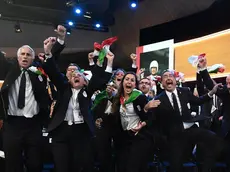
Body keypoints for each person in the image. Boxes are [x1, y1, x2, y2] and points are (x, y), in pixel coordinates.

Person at [42, 37, 113, 172]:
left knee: (78, 166)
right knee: (62, 166)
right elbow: (54, 72)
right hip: (61, 132)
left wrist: (109, 62)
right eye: (73, 74)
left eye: (79, 75)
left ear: (85, 81)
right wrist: (48, 52)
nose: (75, 75)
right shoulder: (63, 88)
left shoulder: (88, 90)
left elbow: (100, 79)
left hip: (81, 133)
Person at [153, 69, 224, 172]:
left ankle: (206, 168)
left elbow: (198, 101)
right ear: (162, 83)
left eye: (170, 76)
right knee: (175, 166)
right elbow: (156, 122)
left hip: (191, 130)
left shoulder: (185, 91)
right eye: (165, 77)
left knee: (215, 140)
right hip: (175, 136)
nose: (168, 78)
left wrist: (212, 92)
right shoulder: (158, 99)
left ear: (175, 80)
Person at [0, 45, 50, 172]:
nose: (25, 57)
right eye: (22, 54)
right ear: (17, 57)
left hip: (33, 125)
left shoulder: (38, 73)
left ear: (33, 58)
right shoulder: (10, 70)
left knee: (35, 163)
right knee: (12, 163)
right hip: (12, 124)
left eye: (28, 55)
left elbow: (52, 67)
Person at [111, 72, 160, 172]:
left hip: (140, 136)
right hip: (123, 137)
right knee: (121, 166)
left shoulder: (139, 97)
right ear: (123, 82)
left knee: (132, 166)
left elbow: (151, 118)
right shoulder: (116, 99)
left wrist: (145, 113)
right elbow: (112, 118)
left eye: (132, 80)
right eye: (127, 79)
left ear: (135, 85)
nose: (129, 82)